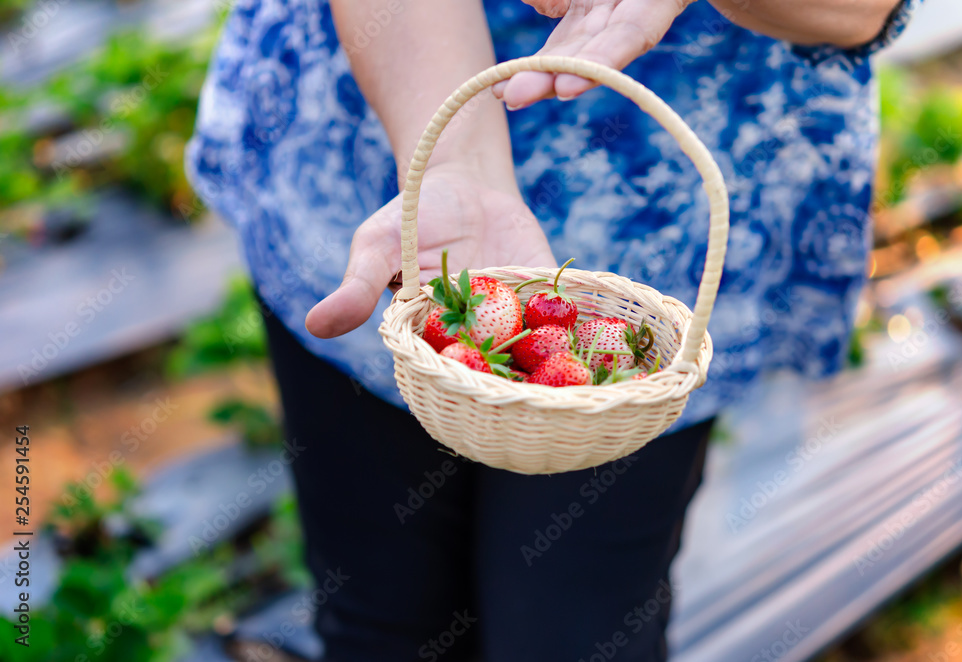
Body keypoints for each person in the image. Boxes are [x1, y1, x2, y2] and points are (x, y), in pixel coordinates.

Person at [186, 0, 919, 659]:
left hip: (677, 209)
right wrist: (454, 162)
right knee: (380, 618)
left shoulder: (635, 337)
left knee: (576, 633)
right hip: (385, 133)